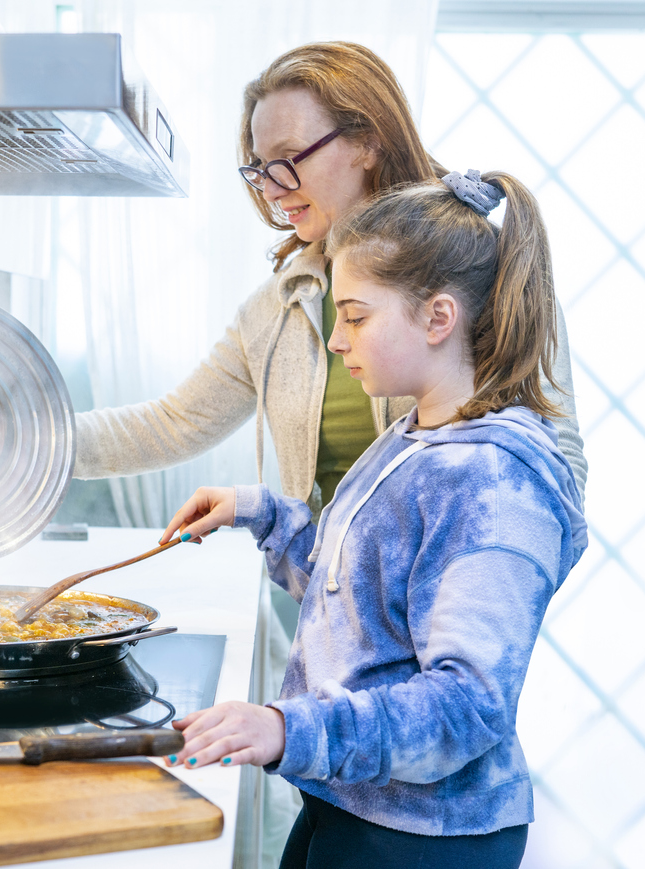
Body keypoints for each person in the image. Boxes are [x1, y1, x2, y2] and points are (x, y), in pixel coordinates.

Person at [156, 170, 589, 869]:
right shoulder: (414, 435)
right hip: (357, 801)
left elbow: (468, 706)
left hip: (424, 838)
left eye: (355, 316)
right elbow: (357, 596)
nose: (335, 340)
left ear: (437, 318)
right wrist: (259, 512)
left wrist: (284, 728)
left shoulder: (495, 482)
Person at [73, 42, 587, 514]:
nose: (271, 189)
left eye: (287, 159)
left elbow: (558, 463)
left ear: (367, 143)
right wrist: (28, 441)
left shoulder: (479, 272)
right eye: (259, 166)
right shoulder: (276, 308)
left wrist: (491, 589)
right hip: (331, 610)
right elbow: (172, 424)